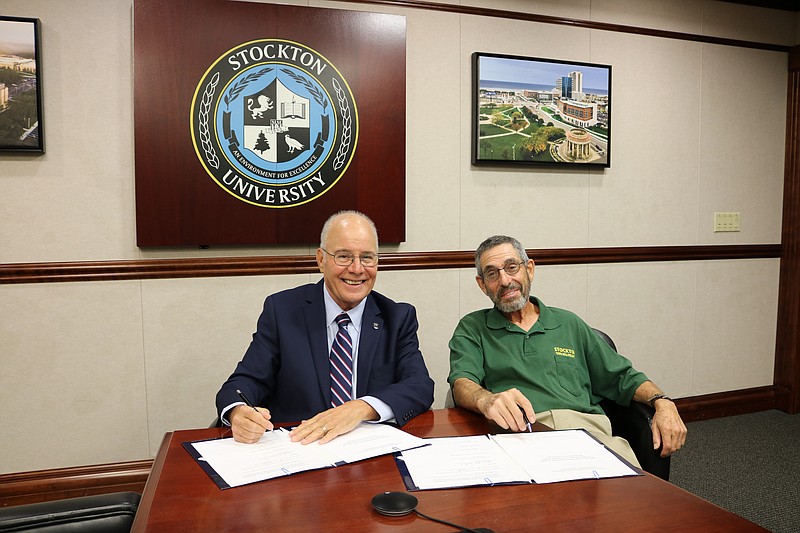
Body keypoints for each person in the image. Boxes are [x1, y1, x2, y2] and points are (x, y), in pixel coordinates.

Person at [448, 235, 686, 465]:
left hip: (587, 435)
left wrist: (662, 401)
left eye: (512, 267)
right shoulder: (473, 327)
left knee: (634, 500)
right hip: (519, 437)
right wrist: (487, 399)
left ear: (529, 269)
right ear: (482, 284)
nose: (505, 281)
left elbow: (623, 377)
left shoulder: (569, 323)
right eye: (492, 273)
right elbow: (462, 384)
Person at [216, 211, 435, 445]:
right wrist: (238, 412)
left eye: (367, 257)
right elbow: (243, 383)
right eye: (344, 256)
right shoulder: (282, 311)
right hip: (299, 448)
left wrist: (360, 408)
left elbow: (420, 386)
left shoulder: (397, 317)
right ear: (321, 260)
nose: (357, 269)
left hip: (367, 453)